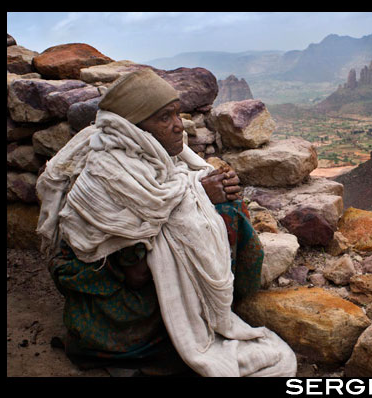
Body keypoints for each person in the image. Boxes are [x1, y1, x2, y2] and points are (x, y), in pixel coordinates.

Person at [36, 68, 296, 377]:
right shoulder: (107, 176)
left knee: (227, 208)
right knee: (220, 214)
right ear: (133, 128)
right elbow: (136, 275)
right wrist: (200, 194)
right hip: (115, 311)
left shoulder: (149, 156)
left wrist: (206, 188)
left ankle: (218, 306)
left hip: (133, 285)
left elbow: (172, 189)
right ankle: (197, 320)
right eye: (164, 118)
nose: (178, 127)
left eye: (178, 115)